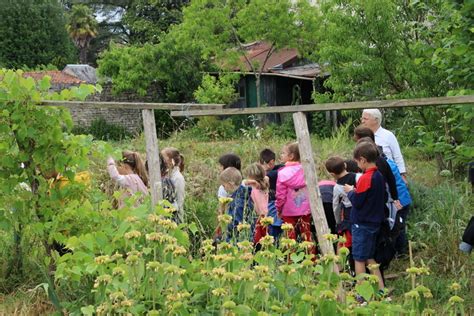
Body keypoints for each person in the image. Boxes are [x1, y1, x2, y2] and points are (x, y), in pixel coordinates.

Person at [344, 141, 386, 293]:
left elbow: (358, 201)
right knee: (369, 258)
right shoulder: (379, 175)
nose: (357, 165)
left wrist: (350, 191)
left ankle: (362, 293)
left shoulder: (365, 178)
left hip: (362, 224)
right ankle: (381, 290)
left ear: (362, 160)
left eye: (357, 162)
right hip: (374, 222)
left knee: (359, 258)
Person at [276, 142, 316, 255]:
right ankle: (311, 259)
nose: (281, 155)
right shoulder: (306, 170)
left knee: (290, 236)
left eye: (283, 153)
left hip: (288, 211)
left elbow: (280, 195)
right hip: (305, 210)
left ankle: (290, 259)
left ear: (291, 156)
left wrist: (279, 208)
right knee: (306, 234)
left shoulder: (282, 173)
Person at [354, 126, 400, 209]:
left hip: (377, 203)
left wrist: (351, 193)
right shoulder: (381, 160)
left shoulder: (374, 169)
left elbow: (358, 200)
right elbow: (391, 179)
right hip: (381, 201)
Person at [325, 156, 359, 261]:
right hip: (362, 210)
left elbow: (336, 206)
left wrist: (338, 222)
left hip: (349, 215)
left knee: (343, 242)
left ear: (332, 174)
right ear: (345, 165)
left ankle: (339, 266)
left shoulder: (337, 187)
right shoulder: (358, 176)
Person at [361, 109, 407, 179]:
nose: (362, 121)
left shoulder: (388, 135)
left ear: (376, 120)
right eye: (362, 118)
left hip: (389, 175)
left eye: (365, 119)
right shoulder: (362, 136)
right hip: (368, 176)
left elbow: (397, 156)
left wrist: (402, 175)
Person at [218, 167, 252, 242]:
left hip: (238, 239)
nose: (224, 188)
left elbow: (236, 223)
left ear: (230, 184)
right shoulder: (245, 194)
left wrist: (227, 233)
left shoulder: (238, 201)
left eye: (224, 186)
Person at [259, 148, 284, 241]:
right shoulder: (264, 172)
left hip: (275, 204)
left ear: (272, 162)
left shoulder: (280, 170)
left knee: (275, 227)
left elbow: (279, 172)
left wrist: (267, 176)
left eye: (265, 164)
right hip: (267, 205)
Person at [244, 163, 270, 247]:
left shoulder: (253, 188)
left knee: (257, 240)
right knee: (264, 238)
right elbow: (266, 177)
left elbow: (242, 183)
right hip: (264, 215)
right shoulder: (264, 185)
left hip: (257, 216)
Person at [161, 147, 185, 223]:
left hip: (175, 217)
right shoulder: (169, 175)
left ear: (171, 161)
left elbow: (179, 200)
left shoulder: (177, 178)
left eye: (163, 158)